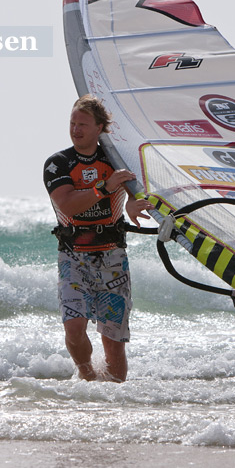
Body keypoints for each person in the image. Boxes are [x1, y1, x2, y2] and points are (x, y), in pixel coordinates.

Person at [43, 94, 153, 383]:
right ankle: (88, 378)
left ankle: (114, 402)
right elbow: (68, 204)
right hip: (73, 256)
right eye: (72, 123)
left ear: (100, 128)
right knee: (74, 329)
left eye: (83, 124)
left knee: (113, 343)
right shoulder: (58, 163)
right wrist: (104, 187)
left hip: (112, 258)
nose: (75, 129)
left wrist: (131, 201)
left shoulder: (116, 160)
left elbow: (135, 189)